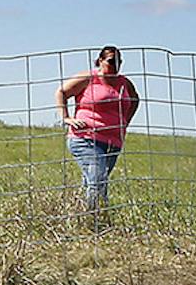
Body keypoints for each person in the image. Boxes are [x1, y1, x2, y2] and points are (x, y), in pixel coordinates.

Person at [56, 45, 140, 213]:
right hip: (85, 138)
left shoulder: (125, 83)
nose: (115, 65)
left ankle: (81, 214)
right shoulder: (89, 78)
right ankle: (96, 219)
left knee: (93, 181)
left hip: (113, 142)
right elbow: (62, 92)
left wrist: (124, 123)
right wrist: (66, 117)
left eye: (118, 61)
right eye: (110, 61)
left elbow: (135, 100)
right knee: (98, 179)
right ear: (100, 61)